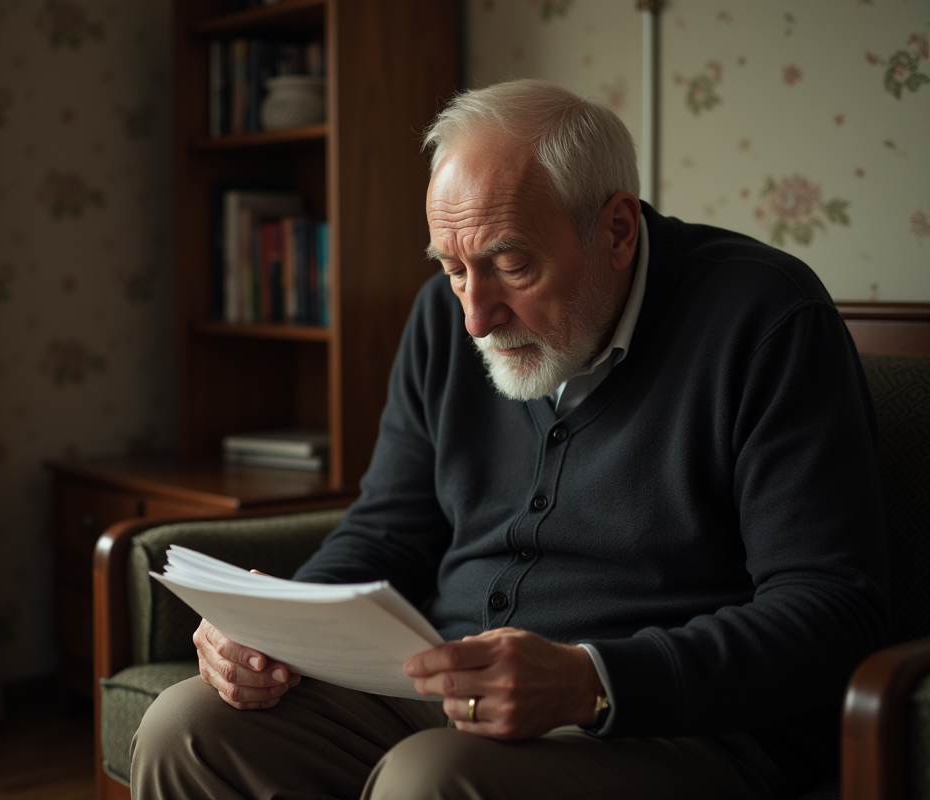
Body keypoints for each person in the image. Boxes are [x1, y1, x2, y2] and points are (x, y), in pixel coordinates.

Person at [130, 79, 889, 799]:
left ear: (617, 230)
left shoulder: (766, 319)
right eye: (454, 268)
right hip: (453, 693)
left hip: (676, 720)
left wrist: (589, 678)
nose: (475, 317)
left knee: (432, 780)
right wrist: (275, 631)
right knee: (187, 727)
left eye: (510, 265)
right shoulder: (442, 318)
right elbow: (388, 528)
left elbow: (830, 607)